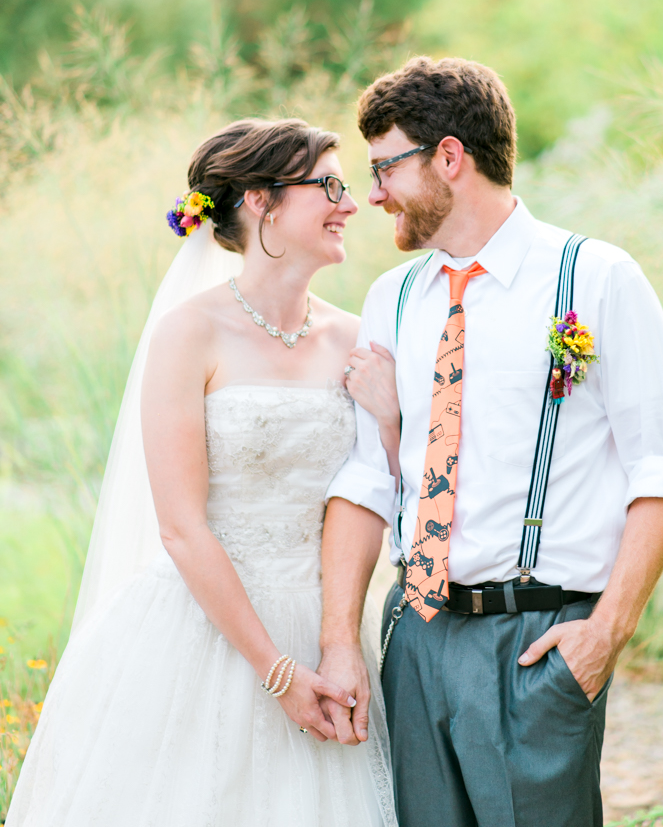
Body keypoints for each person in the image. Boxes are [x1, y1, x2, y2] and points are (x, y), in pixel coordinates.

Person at [319, 57, 663, 827]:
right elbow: (370, 478)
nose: (371, 195)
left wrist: (606, 633)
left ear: (450, 158)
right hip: (416, 635)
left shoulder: (596, 277)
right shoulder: (391, 297)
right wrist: (341, 642)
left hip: (538, 641)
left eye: (385, 168)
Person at [7, 118, 397, 827]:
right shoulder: (190, 333)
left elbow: (374, 489)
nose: (351, 203)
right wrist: (277, 673)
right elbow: (182, 528)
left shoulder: (354, 336)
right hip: (202, 626)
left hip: (327, 619)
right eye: (331, 186)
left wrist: (391, 419)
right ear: (262, 201)